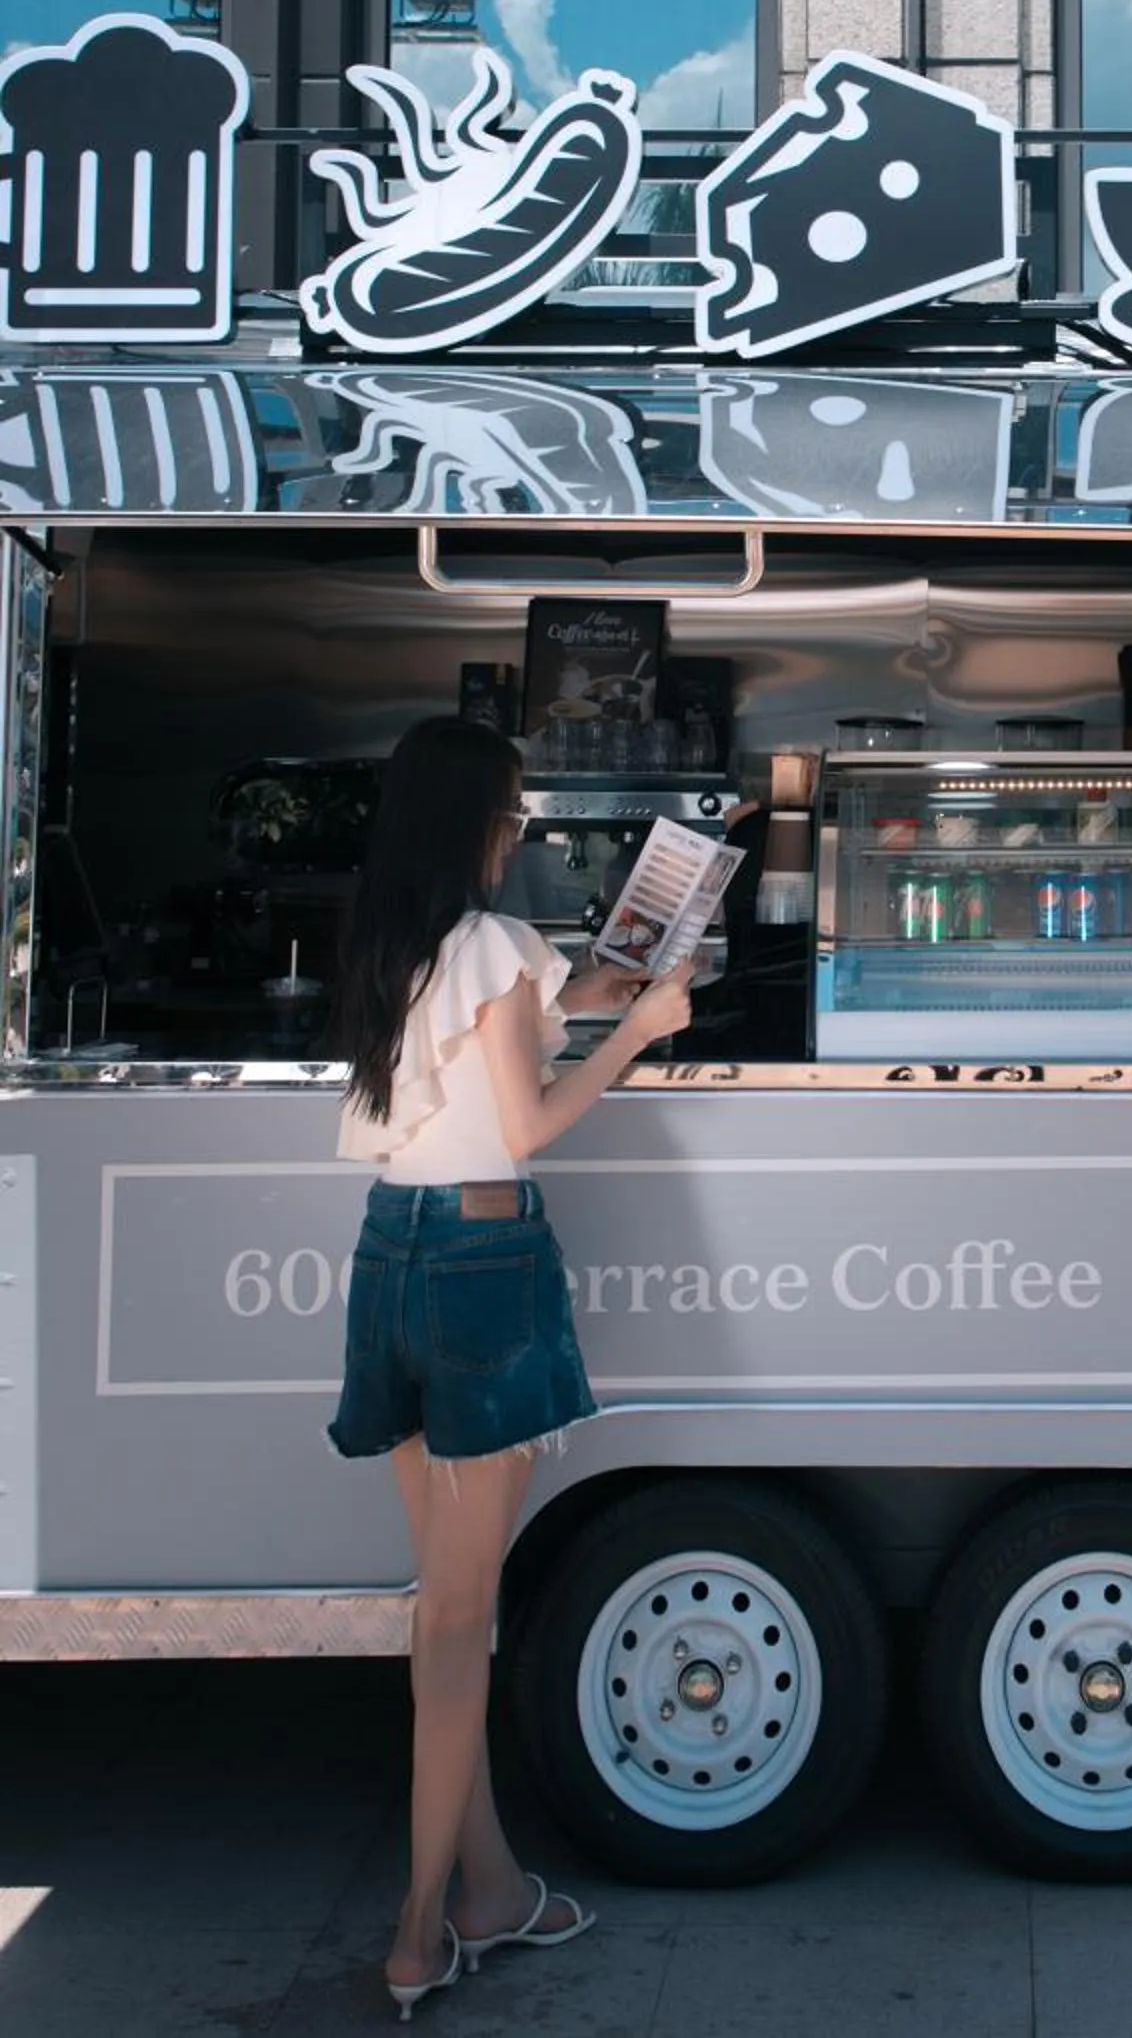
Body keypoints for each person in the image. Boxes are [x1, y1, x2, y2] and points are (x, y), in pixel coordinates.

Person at [327, 716, 692, 2020]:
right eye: (515, 808)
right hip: (484, 1262)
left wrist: (623, 981)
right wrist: (641, 1032)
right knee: (457, 1621)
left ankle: (489, 1891)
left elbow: (526, 1012)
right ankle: (418, 1929)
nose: (521, 827)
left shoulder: (398, 941)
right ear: (475, 819)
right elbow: (527, 1120)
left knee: (445, 1609)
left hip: (391, 1256)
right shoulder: (489, 943)